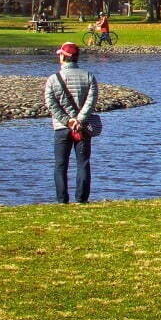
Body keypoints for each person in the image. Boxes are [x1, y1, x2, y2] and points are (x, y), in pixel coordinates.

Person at [44, 42, 99, 203]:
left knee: (60, 164)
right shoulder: (89, 76)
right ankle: (81, 199)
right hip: (83, 127)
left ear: (63, 57)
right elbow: (91, 101)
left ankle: (62, 200)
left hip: (61, 128)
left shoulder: (53, 79)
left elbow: (51, 104)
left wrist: (67, 121)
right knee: (83, 163)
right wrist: (79, 120)